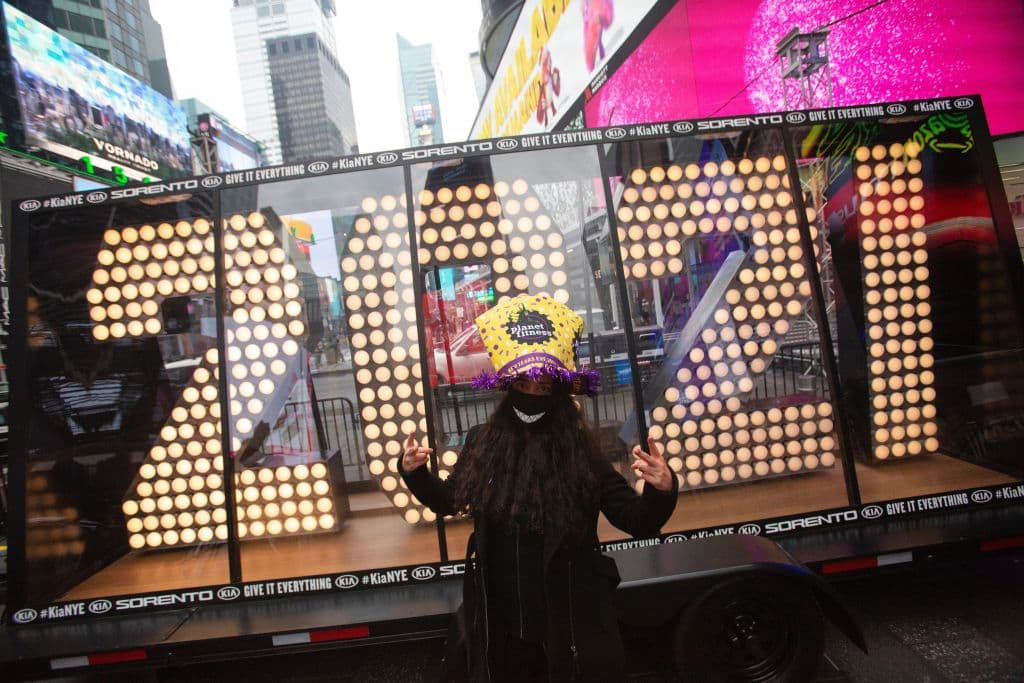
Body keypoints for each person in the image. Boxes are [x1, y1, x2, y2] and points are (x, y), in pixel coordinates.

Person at [400, 293, 677, 681]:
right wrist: (414, 473)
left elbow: (639, 520)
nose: (531, 395)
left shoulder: (580, 453)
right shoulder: (483, 441)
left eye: (543, 388)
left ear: (559, 394)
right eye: (524, 386)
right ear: (509, 386)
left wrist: (661, 489)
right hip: (502, 624)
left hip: (568, 624)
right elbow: (448, 500)